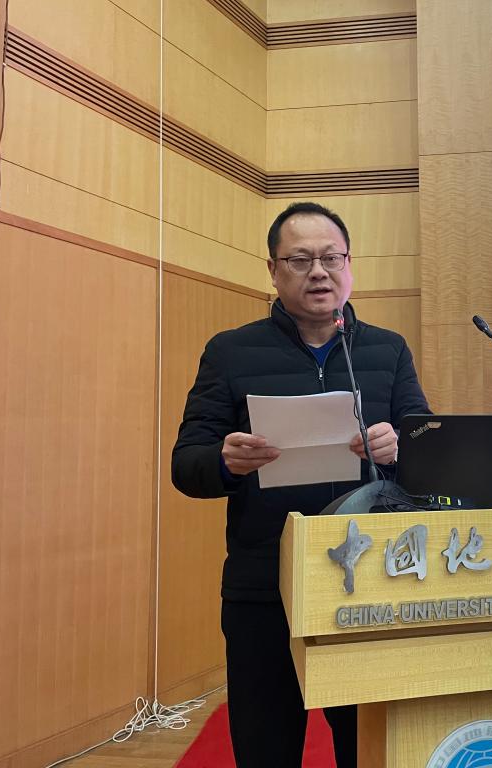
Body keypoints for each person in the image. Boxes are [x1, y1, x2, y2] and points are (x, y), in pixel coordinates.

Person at [172, 201, 430, 768]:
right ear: (273, 270)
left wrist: (398, 449)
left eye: (331, 258)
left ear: (349, 264)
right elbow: (186, 465)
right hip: (265, 587)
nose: (319, 272)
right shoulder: (230, 352)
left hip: (368, 587)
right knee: (266, 747)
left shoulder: (386, 350)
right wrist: (225, 460)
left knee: (367, 748)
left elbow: (428, 453)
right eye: (300, 259)